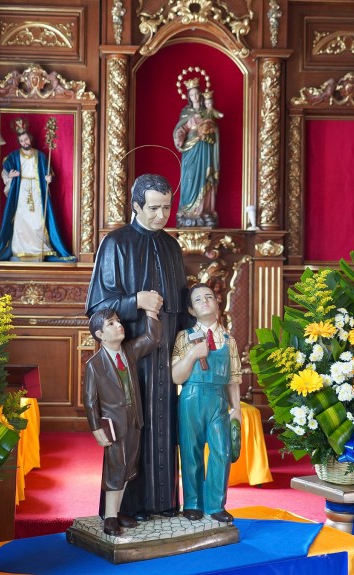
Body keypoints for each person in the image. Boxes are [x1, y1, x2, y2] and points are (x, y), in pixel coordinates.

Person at [85, 173, 189, 521]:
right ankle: (127, 509)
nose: (161, 216)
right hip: (131, 356)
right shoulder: (115, 244)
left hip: (166, 359)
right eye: (154, 208)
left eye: (166, 208)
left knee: (165, 428)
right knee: (131, 431)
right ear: (135, 206)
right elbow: (97, 309)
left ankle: (163, 504)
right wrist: (135, 301)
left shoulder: (172, 246)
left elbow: (180, 302)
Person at [83, 308, 162, 536]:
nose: (118, 325)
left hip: (134, 420)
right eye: (111, 323)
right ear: (100, 334)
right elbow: (89, 401)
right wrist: (96, 428)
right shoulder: (95, 364)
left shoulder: (128, 352)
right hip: (113, 425)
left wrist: (151, 314)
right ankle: (109, 518)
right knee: (115, 469)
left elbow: (152, 338)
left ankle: (116, 513)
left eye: (118, 321)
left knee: (128, 469)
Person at [171, 283, 241, 523]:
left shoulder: (229, 340)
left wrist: (237, 409)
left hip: (218, 400)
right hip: (191, 398)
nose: (204, 301)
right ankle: (192, 503)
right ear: (191, 310)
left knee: (221, 451)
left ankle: (215, 504)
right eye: (198, 299)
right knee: (191, 452)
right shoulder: (184, 337)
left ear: (217, 304)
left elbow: (233, 378)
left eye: (209, 296)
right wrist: (191, 355)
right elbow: (176, 377)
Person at [0, 125, 76, 262]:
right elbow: (5, 171)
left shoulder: (40, 156)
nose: (24, 143)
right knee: (20, 220)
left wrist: (49, 178)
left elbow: (50, 173)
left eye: (26, 140)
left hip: (36, 191)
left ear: (30, 139)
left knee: (37, 221)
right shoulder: (13, 156)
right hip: (21, 191)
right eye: (22, 141)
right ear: (19, 142)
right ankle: (20, 250)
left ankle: (39, 249)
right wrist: (11, 176)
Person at [173, 79, 220, 228]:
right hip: (190, 150)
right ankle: (188, 211)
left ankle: (204, 211)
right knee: (190, 177)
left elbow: (215, 131)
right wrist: (180, 138)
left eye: (196, 93)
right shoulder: (186, 112)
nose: (194, 96)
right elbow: (180, 129)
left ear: (200, 94)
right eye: (191, 94)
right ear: (188, 96)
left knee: (204, 178)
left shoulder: (207, 112)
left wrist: (208, 130)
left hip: (205, 149)